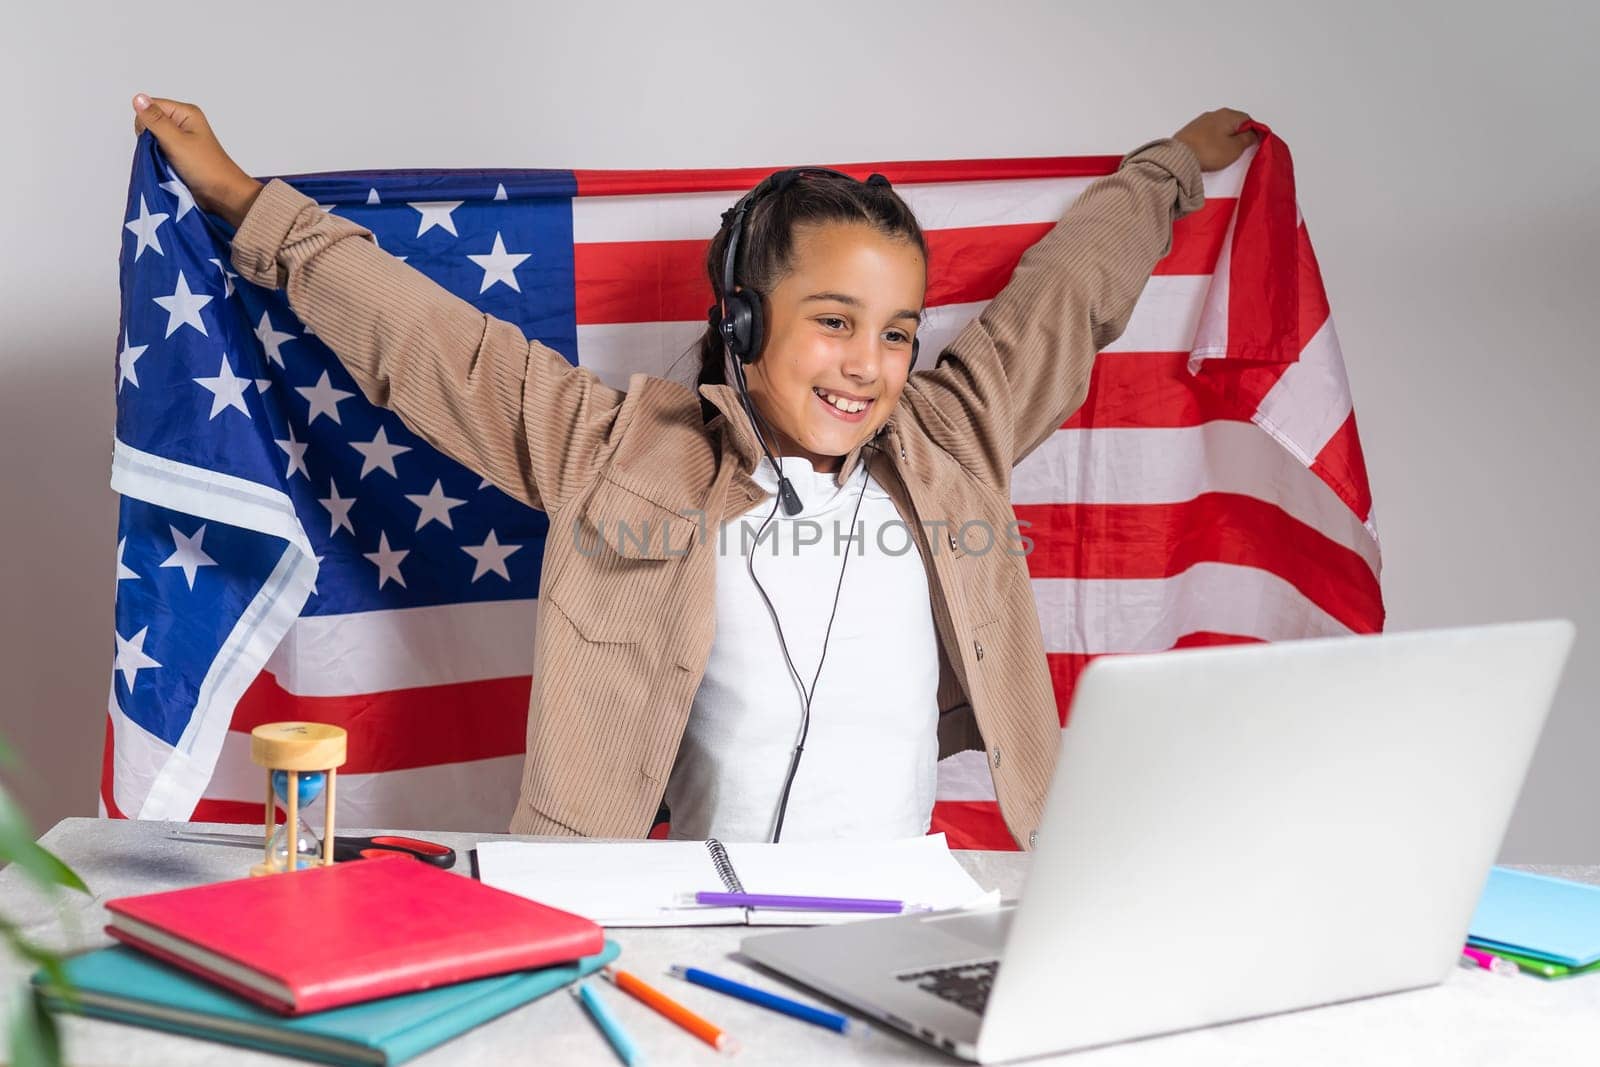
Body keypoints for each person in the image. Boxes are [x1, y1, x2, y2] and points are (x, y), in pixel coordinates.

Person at [130, 93, 1257, 846]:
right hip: (682, 910)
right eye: (833, 321)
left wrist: (1167, 170)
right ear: (744, 318)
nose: (869, 365)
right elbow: (436, 348)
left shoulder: (953, 440)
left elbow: (1068, 296)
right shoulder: (623, 454)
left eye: (898, 331)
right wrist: (244, 201)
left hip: (905, 904)